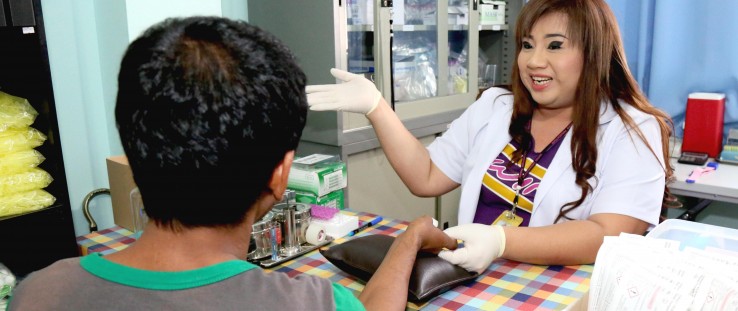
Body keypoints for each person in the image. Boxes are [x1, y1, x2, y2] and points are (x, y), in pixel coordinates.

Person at [8, 16, 456, 310]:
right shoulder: (313, 303)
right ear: (281, 175)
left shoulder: (39, 293)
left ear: (136, 149)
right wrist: (409, 239)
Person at [306, 0, 673, 273]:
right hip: (473, 280)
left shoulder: (632, 130)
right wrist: (377, 107)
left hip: (557, 292)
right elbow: (427, 176)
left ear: (595, 54)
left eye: (555, 45)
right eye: (527, 45)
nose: (533, 61)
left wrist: (500, 240)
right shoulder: (497, 106)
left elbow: (609, 235)